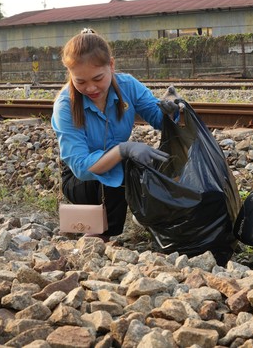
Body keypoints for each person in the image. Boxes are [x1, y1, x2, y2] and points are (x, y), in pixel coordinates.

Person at [51, 28, 181, 240]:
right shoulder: (65, 105)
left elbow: (158, 119)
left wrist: (172, 108)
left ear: (111, 65)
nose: (91, 88)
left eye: (97, 78)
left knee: (149, 164)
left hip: (114, 168)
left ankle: (151, 219)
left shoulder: (127, 85)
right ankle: (96, 232)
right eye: (80, 82)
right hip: (82, 180)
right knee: (121, 168)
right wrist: (124, 149)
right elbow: (82, 167)